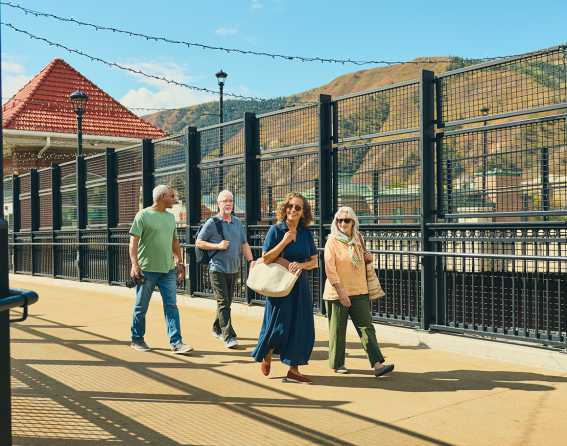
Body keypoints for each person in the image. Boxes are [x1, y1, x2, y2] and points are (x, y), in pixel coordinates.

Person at [251, 192, 318, 384]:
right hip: (278, 285)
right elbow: (265, 258)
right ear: (284, 208)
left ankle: (293, 370)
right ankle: (268, 352)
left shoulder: (306, 233)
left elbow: (314, 261)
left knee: (301, 326)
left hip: (299, 285)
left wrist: (301, 265)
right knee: (278, 324)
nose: (293, 210)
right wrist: (285, 241)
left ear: (304, 212)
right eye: (290, 206)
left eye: (298, 207)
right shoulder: (276, 230)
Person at [323, 206, 394, 377]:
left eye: (346, 220)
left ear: (353, 222)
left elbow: (362, 261)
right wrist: (341, 293)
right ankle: (337, 363)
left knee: (366, 327)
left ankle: (377, 363)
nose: (342, 223)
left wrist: (368, 259)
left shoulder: (358, 238)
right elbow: (330, 270)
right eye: (339, 220)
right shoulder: (331, 241)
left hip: (360, 290)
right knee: (338, 330)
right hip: (337, 293)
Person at [129, 185, 193, 354]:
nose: (174, 199)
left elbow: (174, 242)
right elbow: (133, 243)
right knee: (141, 306)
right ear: (163, 196)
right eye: (172, 196)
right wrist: (134, 264)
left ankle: (176, 342)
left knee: (171, 306)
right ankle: (137, 339)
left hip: (168, 270)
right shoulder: (143, 215)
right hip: (147, 270)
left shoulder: (170, 218)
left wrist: (179, 261)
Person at [196, 190, 254, 349]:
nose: (228, 203)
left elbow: (244, 244)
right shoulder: (212, 223)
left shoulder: (237, 222)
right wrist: (217, 246)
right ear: (218, 204)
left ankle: (217, 327)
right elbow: (199, 242)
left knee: (226, 302)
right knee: (223, 302)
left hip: (233, 268)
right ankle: (229, 336)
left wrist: (251, 261)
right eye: (225, 201)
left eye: (231, 200)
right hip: (217, 269)